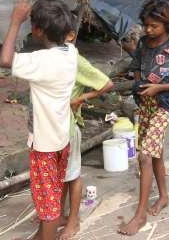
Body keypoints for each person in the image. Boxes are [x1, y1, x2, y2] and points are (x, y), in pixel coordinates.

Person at [0, 0, 78, 240]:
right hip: (61, 138)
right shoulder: (71, 53)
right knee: (52, 193)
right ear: (68, 33)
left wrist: (14, 22)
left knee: (48, 205)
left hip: (44, 145)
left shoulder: (41, 61)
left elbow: (5, 60)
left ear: (36, 30)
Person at [119, 0, 169, 235]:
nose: (148, 30)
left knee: (145, 156)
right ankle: (163, 197)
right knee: (155, 151)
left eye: (153, 26)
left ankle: (140, 215)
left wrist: (158, 88)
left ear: (166, 23)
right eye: (146, 26)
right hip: (145, 104)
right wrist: (140, 81)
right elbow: (138, 67)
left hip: (163, 105)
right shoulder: (143, 43)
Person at [60, 32, 114, 240]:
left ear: (70, 35)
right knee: (62, 174)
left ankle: (73, 220)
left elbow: (106, 84)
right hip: (55, 126)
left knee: (72, 175)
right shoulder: (52, 57)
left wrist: (81, 98)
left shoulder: (75, 60)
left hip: (69, 125)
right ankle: (62, 215)